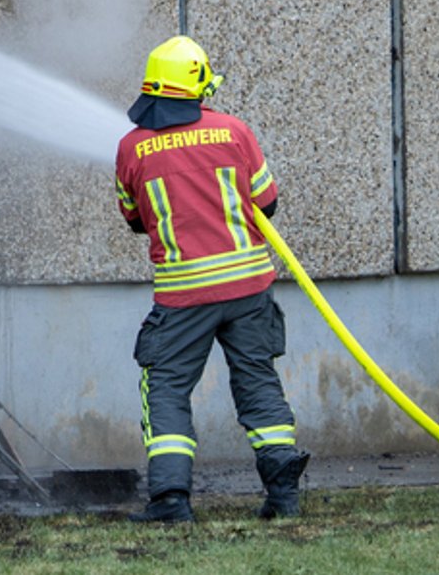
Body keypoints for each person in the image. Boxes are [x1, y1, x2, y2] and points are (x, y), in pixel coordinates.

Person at [116, 35, 309, 523]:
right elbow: (266, 204)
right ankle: (283, 492)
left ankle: (171, 501)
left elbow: (136, 219)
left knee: (165, 387)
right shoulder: (234, 131)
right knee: (258, 380)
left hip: (184, 297)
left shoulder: (132, 147)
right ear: (199, 86)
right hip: (249, 288)